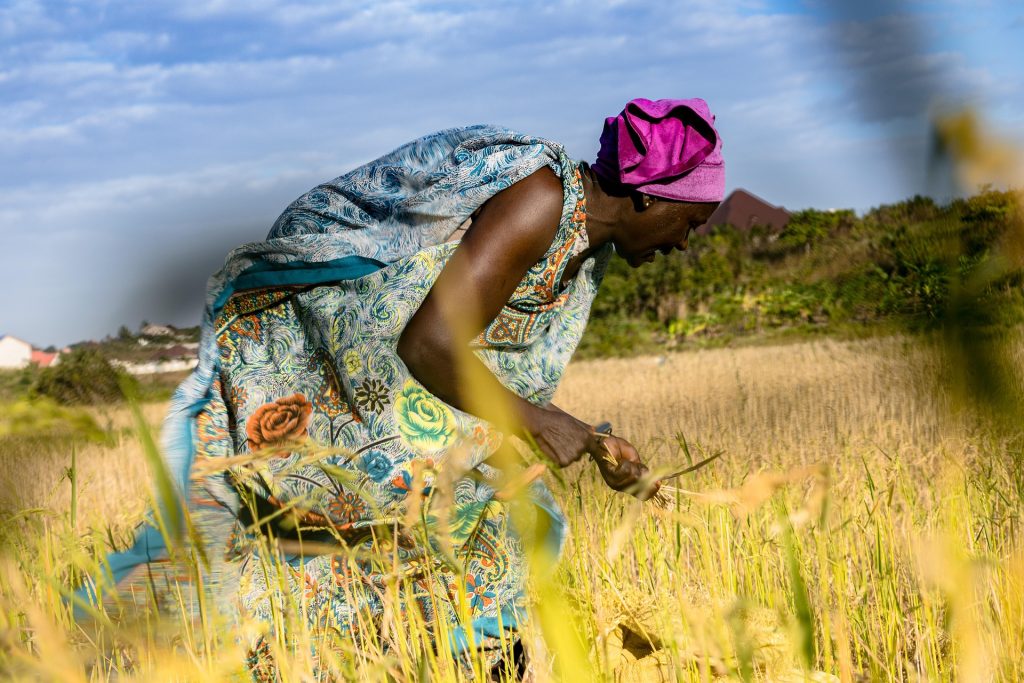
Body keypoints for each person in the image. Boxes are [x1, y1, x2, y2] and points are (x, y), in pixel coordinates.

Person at [75, 97, 724, 677]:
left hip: (394, 377)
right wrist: (536, 421)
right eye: (692, 223)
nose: (688, 242)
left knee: (461, 527)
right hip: (344, 357)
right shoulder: (542, 199)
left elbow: (485, 361)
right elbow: (431, 343)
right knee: (475, 521)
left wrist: (585, 437)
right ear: (649, 195)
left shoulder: (581, 246)